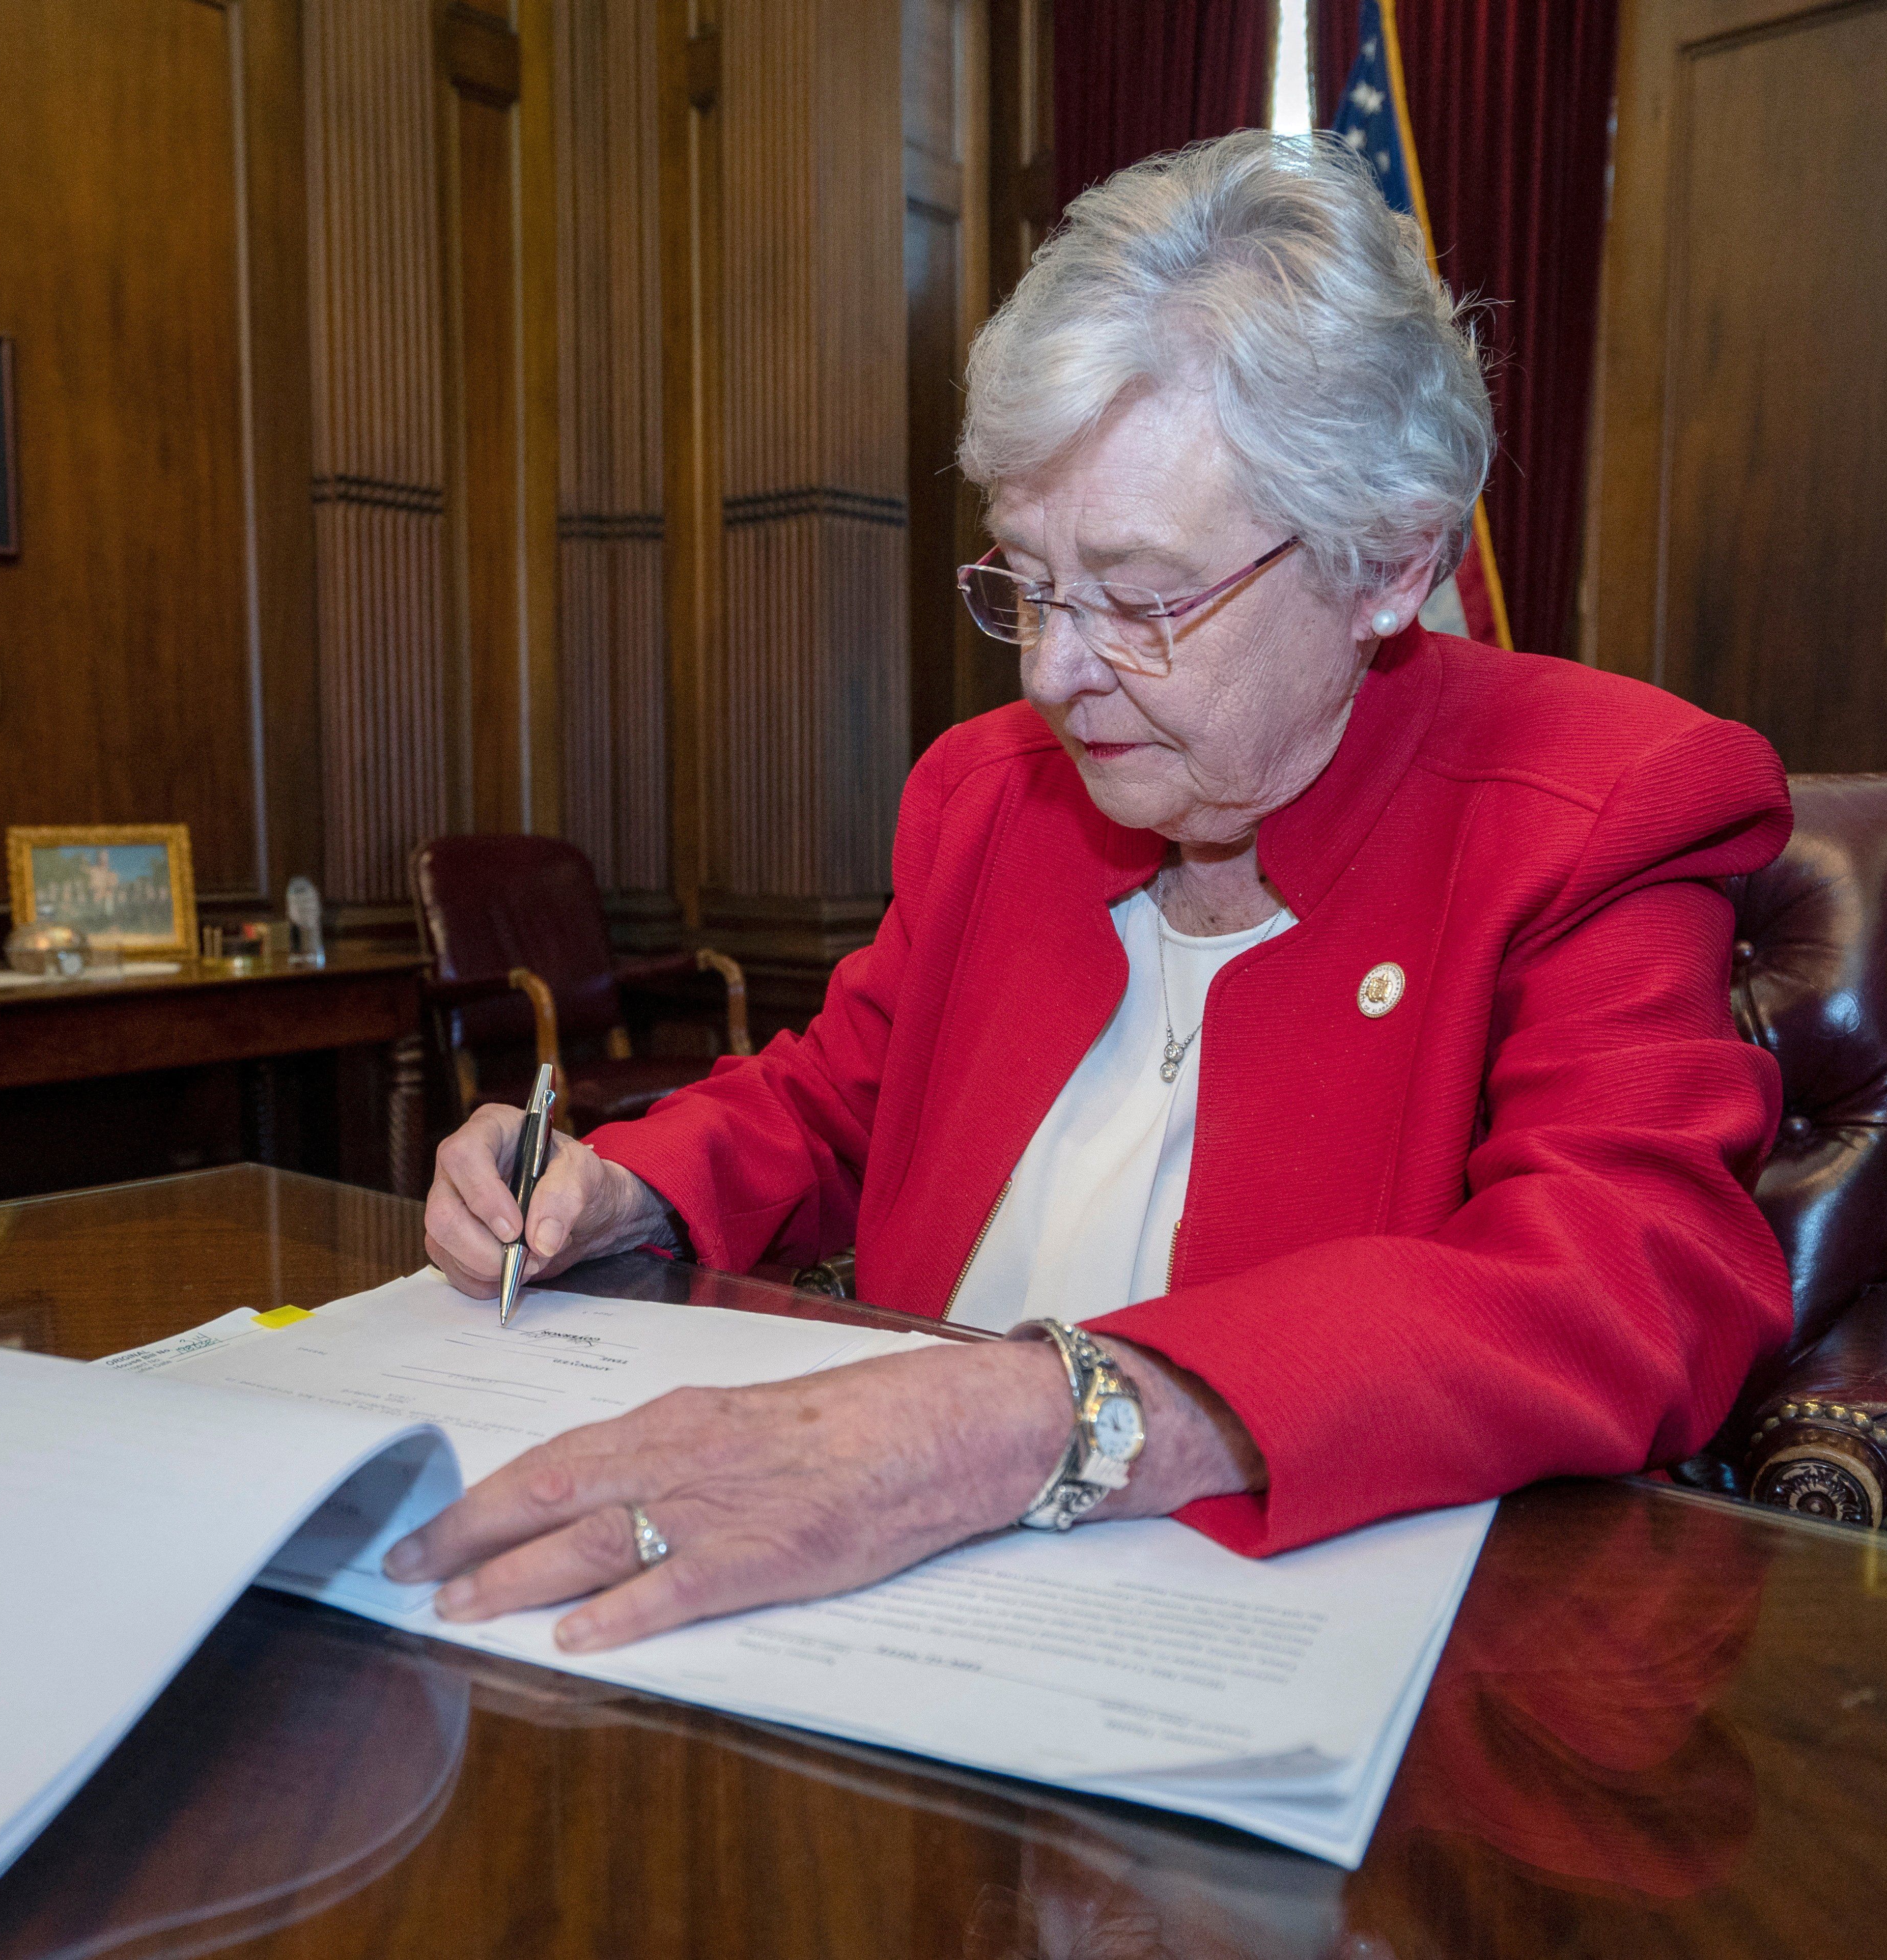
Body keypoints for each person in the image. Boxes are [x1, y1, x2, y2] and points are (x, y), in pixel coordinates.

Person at [386, 131, 1794, 1656]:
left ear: (1387, 564)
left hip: (1297, 1650)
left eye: (1138, 598)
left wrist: (1025, 1413)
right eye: (1028, 583)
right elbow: (839, 1100)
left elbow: (1627, 1284)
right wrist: (621, 1187)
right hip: (887, 1615)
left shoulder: (1602, 805)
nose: (1056, 672)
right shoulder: (990, 791)